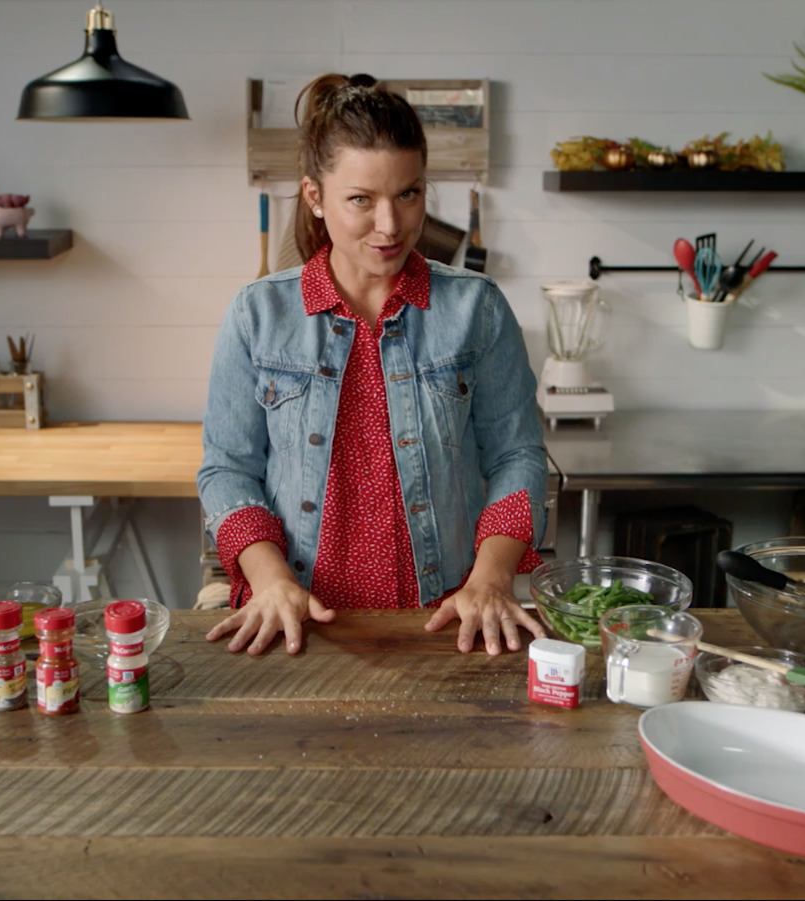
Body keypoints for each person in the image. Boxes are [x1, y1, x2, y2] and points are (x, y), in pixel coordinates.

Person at [198, 73, 548, 657]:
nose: (390, 225)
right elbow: (227, 470)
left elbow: (517, 455)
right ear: (315, 196)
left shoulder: (475, 309)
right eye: (361, 199)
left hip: (450, 623)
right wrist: (270, 580)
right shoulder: (256, 315)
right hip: (301, 626)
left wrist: (491, 579)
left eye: (408, 194)